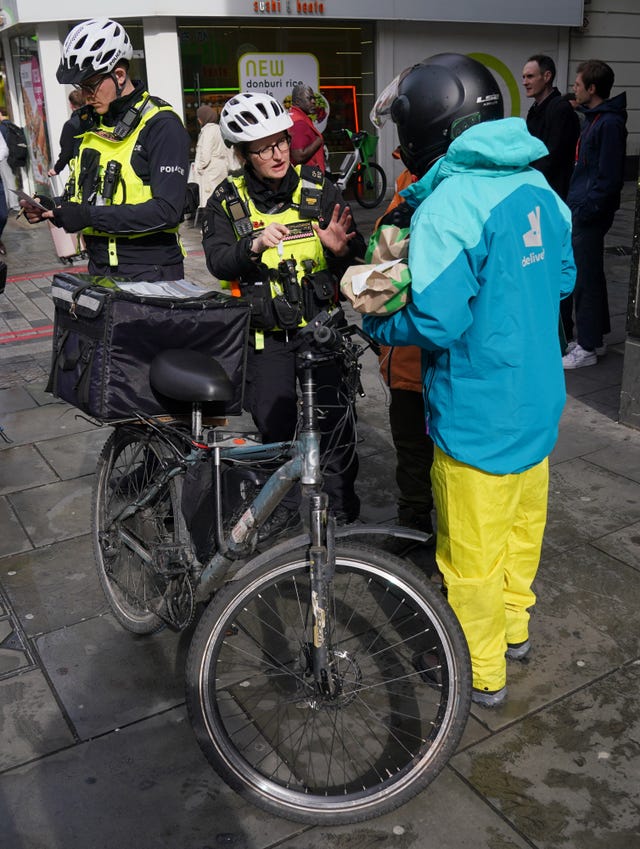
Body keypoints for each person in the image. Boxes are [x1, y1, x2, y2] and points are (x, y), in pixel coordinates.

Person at [362, 53, 575, 707]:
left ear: (429, 129)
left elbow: (434, 318)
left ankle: (481, 670)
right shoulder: (540, 189)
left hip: (477, 416)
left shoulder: (451, 203)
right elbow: (563, 279)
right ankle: (514, 631)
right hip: (538, 406)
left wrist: (374, 314)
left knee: (469, 557)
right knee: (520, 534)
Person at [202, 91, 365, 538]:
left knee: (334, 424)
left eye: (280, 142)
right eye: (262, 147)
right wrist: (252, 245)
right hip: (265, 339)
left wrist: (342, 249)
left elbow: (358, 256)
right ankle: (291, 513)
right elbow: (217, 260)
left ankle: (342, 512)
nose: (276, 154)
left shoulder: (319, 188)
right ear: (241, 154)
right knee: (277, 428)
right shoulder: (227, 201)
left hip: (320, 333)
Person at [20, 17, 190, 282]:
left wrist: (88, 216)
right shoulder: (90, 127)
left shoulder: (161, 125)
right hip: (99, 266)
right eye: (81, 87)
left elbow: (167, 211)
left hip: (151, 270)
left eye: (90, 85)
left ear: (119, 75)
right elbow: (90, 198)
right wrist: (52, 206)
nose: (86, 95)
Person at [562, 59, 627, 369]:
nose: (574, 88)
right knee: (590, 275)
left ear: (592, 88)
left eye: (578, 84)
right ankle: (595, 338)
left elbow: (610, 175)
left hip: (589, 212)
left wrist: (587, 209)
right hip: (584, 207)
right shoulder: (595, 118)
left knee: (584, 279)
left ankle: (586, 348)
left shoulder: (609, 123)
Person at [522, 54, 580, 200]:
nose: (524, 82)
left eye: (530, 76)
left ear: (547, 76)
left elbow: (553, 156)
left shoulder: (560, 109)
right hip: (539, 188)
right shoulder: (536, 109)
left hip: (553, 193)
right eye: (524, 77)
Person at [193, 104, 229, 214]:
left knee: (210, 200)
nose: (198, 120)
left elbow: (205, 153)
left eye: (199, 117)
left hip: (210, 170)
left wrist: (198, 167)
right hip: (221, 168)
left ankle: (210, 227)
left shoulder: (208, 131)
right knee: (220, 196)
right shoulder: (219, 129)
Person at [47, 90, 88, 177]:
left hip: (81, 170)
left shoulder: (70, 125)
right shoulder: (95, 119)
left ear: (71, 105)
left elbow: (66, 152)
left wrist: (56, 169)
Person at [288, 84, 325, 171]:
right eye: (309, 98)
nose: (313, 102)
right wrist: (318, 140)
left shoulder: (295, 116)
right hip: (307, 178)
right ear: (297, 101)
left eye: (314, 98)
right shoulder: (298, 122)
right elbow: (298, 156)